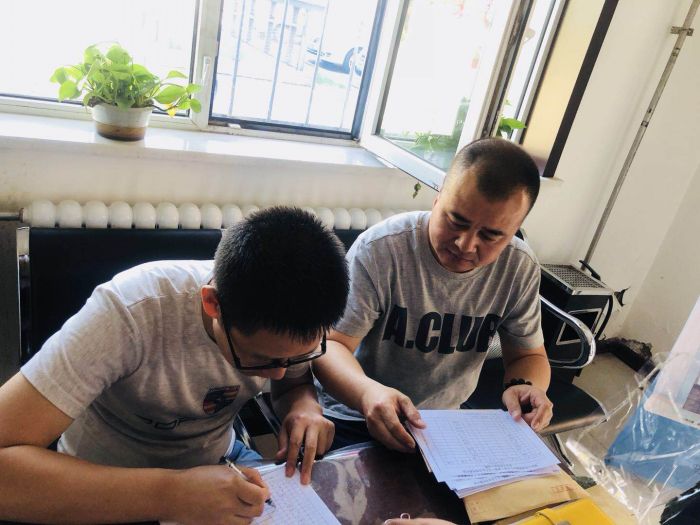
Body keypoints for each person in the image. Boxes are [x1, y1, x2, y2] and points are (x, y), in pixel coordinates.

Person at [0, 207, 349, 525]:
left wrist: (303, 406)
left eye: (296, 357)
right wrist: (170, 495)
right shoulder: (129, 312)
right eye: (259, 359)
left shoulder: (289, 322)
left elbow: (292, 384)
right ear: (213, 304)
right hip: (103, 481)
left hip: (221, 464)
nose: (277, 373)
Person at [314, 137, 554, 452]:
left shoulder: (518, 266)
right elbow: (330, 346)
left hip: (442, 424)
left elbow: (528, 356)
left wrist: (526, 388)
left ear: (514, 230)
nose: (465, 244)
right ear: (437, 198)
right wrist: (367, 393)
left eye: (491, 235)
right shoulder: (381, 250)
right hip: (354, 412)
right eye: (456, 221)